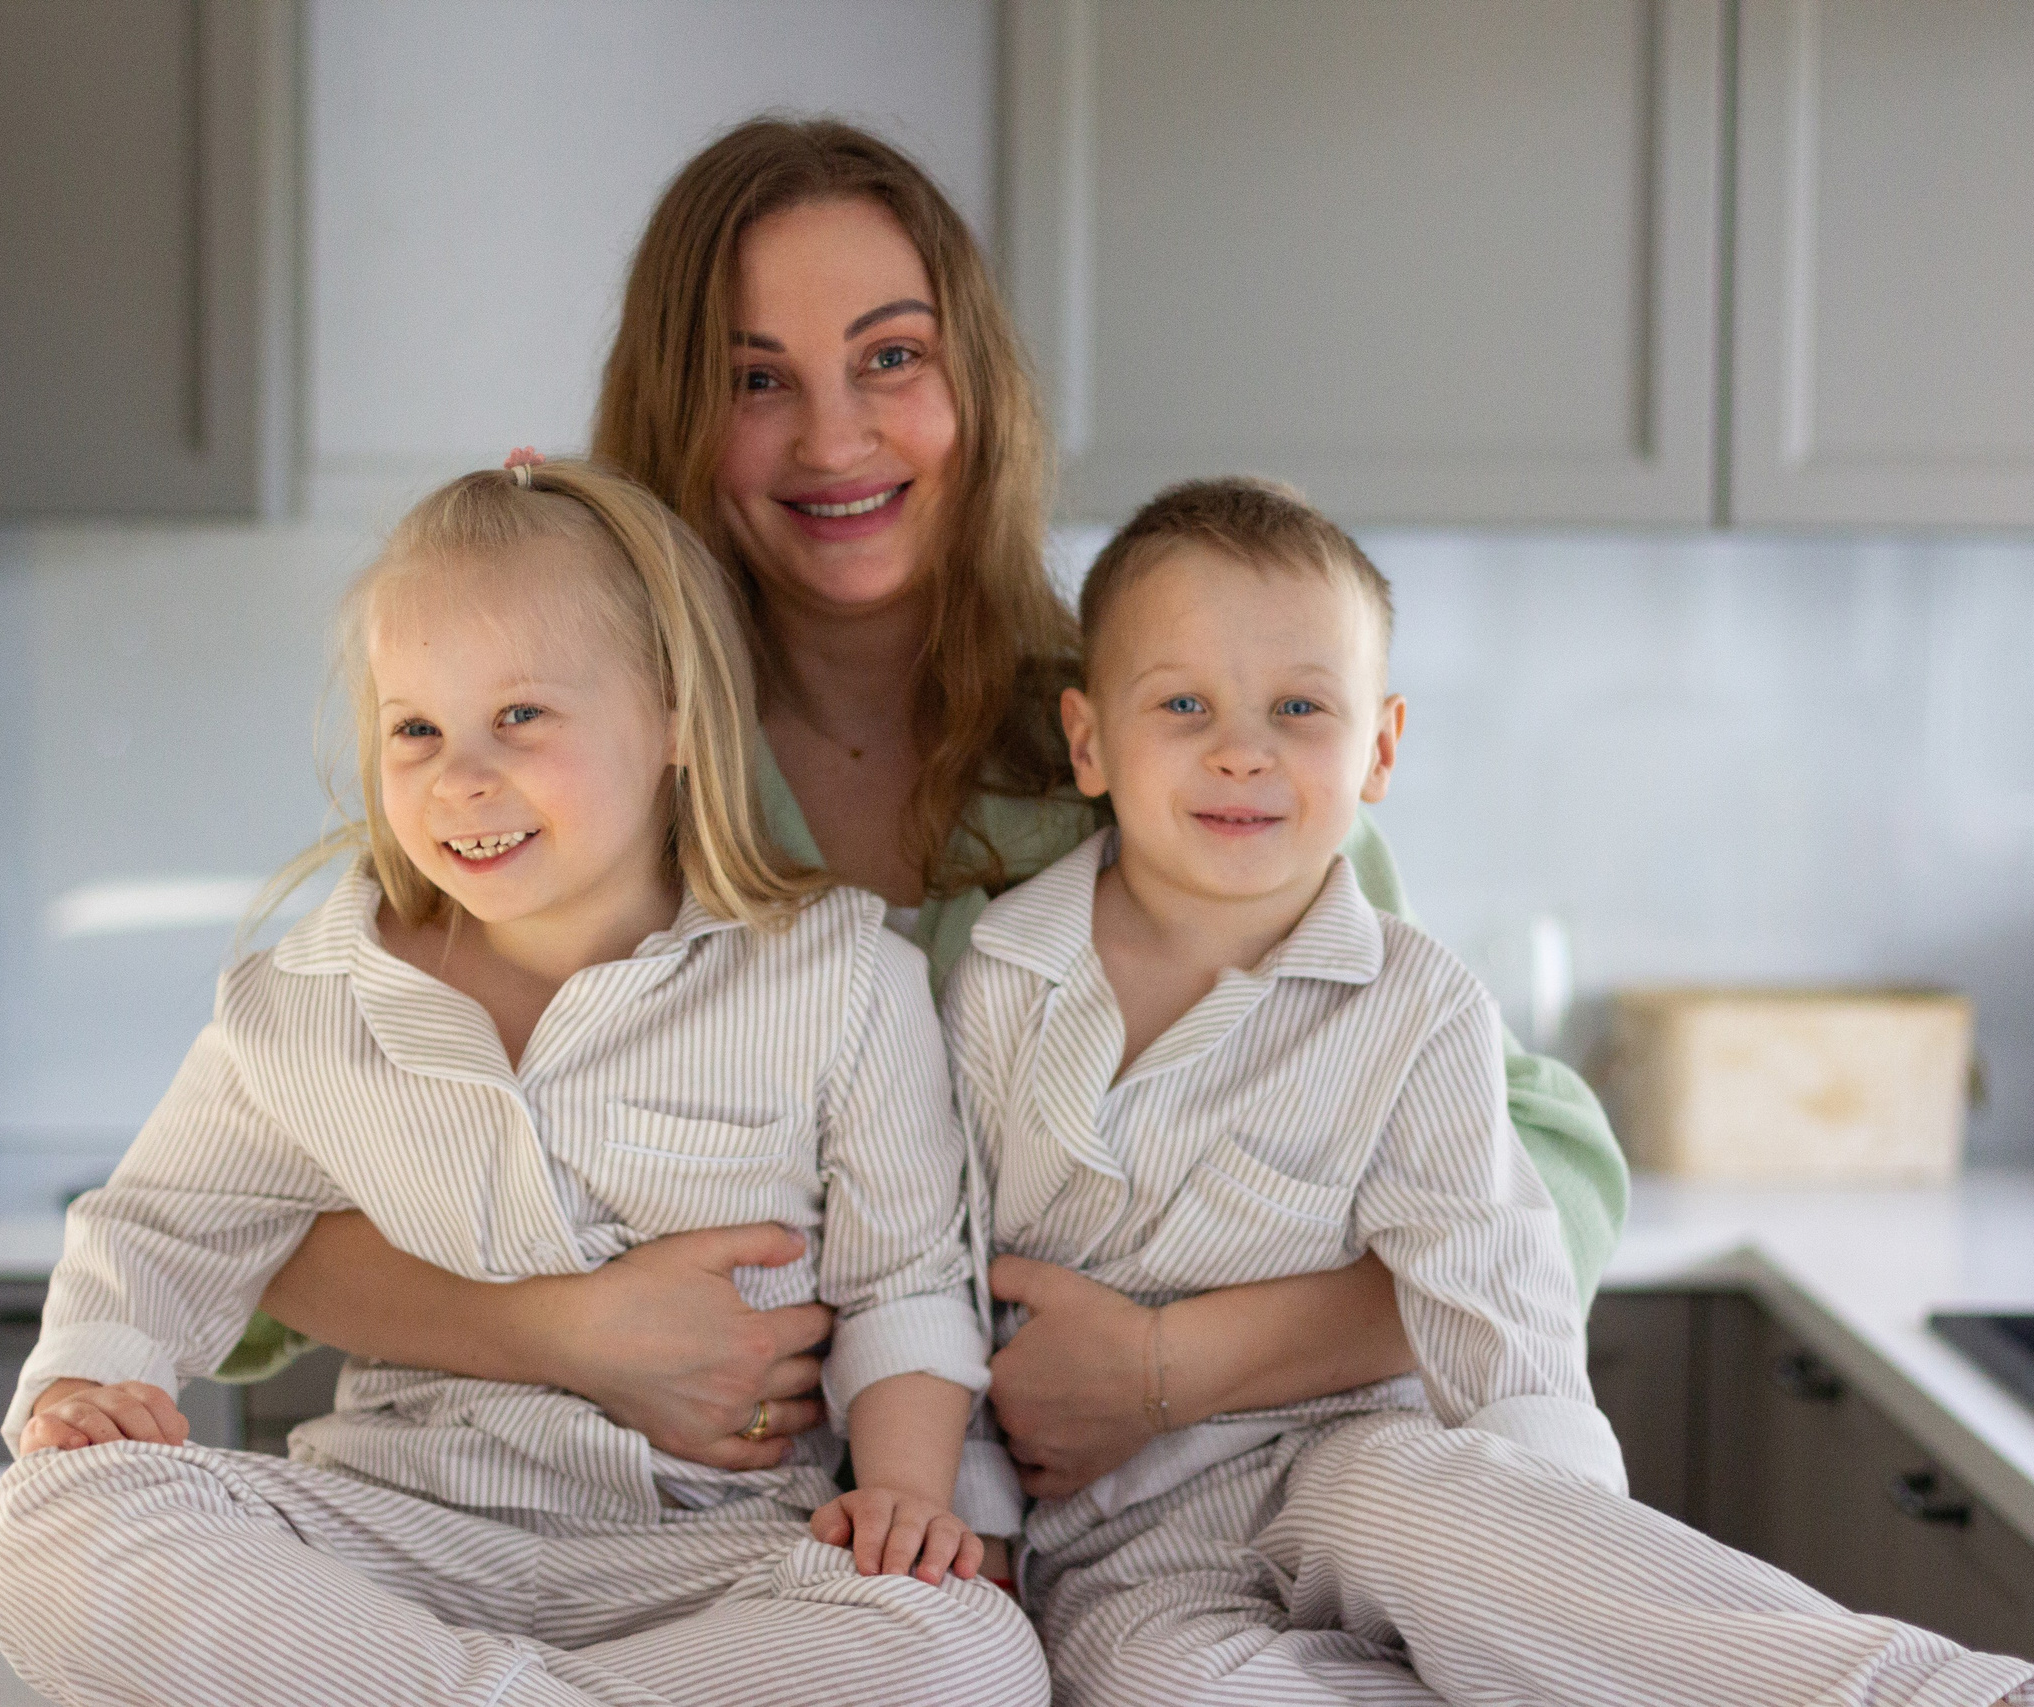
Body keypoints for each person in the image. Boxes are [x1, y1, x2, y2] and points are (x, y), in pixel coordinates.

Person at [245, 114, 1629, 1512]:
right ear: (676, 412)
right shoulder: (558, 758)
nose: (834, 435)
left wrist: (1170, 1363)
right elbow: (246, 1220)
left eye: (891, 358)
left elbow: (1545, 1181)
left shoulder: (1169, 745)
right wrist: (567, 1329)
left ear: (975, 384)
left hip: (1124, 1568)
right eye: (754, 378)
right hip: (639, 1550)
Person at [945, 475, 2034, 1707]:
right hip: (1114, 1547)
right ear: (1089, 740)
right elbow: (938, 1280)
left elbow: (1498, 1305)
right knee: (1171, 1690)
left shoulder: (1420, 1007)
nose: (1241, 748)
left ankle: (1912, 1697)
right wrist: (971, 1524)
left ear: (1378, 747)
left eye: (1298, 706)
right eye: (1184, 704)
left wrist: (1556, 1564)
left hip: (1352, 1459)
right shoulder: (1001, 983)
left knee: (1455, 1520)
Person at [0, 461, 1048, 1707]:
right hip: (390, 1539)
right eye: (416, 728)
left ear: (676, 723)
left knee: (965, 1655)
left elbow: (907, 1285)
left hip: (715, 1564)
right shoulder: (308, 1000)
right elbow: (162, 1228)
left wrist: (911, 1502)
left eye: (522, 718)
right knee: (49, 1525)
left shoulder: (845, 980)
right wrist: (83, 1384)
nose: (459, 776)